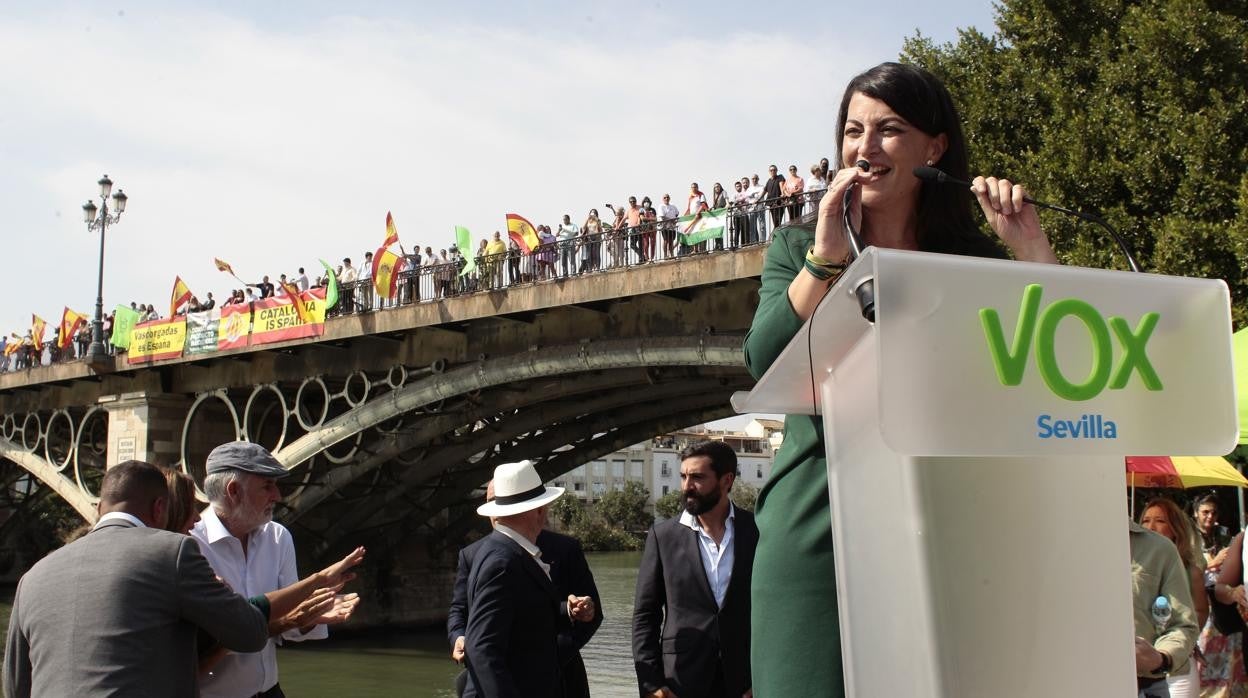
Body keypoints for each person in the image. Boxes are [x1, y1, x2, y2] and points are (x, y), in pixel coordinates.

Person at [743, 61, 1061, 696]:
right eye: (853, 130)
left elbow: (1046, 367)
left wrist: (1029, 252)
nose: (865, 147)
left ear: (933, 148)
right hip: (818, 531)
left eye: (888, 129)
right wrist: (825, 261)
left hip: (948, 526)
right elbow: (764, 360)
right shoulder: (798, 248)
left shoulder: (974, 261)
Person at [3, 460, 269, 698]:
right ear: (159, 508)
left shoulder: (34, 576)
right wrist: (224, 590)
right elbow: (250, 633)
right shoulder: (173, 551)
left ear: (99, 508)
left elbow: (15, 686)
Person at [190, 441, 351, 698]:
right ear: (234, 491)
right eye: (267, 486)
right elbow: (204, 639)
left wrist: (313, 615)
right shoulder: (190, 546)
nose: (277, 495)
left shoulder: (278, 537)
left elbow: (290, 625)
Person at [449, 479, 602, 698]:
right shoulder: (498, 560)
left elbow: (527, 610)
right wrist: (460, 637)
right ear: (539, 510)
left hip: (558, 678)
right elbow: (482, 646)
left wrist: (568, 612)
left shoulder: (557, 549)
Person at [632, 440, 757, 698]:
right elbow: (646, 615)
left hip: (744, 681)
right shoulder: (662, 536)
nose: (687, 486)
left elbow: (773, 611)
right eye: (683, 476)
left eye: (697, 477)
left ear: (726, 480)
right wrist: (651, 684)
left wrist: (765, 676)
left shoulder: (755, 530)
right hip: (680, 681)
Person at [1140, 498, 1208, 698]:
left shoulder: (1190, 570)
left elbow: (1201, 610)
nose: (1151, 526)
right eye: (1145, 520)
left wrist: (1185, 641)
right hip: (1138, 669)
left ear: (1175, 528)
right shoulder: (1131, 565)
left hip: (1177, 668)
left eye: (1160, 521)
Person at [659, 193, 681, 260]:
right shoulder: (661, 206)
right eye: (665, 197)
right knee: (666, 240)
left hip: (672, 227)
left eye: (667, 197)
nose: (666, 198)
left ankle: (671, 254)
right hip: (665, 226)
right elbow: (662, 217)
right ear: (663, 199)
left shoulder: (673, 206)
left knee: (671, 241)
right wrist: (671, 220)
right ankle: (665, 255)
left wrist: (674, 220)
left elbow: (677, 213)